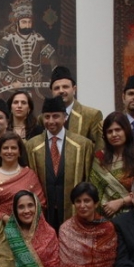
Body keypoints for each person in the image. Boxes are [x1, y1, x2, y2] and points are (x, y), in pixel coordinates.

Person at [27, 96, 95, 231]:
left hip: (74, 210)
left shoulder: (82, 145)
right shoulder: (32, 145)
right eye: (47, 117)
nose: (51, 121)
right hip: (44, 212)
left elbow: (88, 179)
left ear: (65, 117)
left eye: (55, 116)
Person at [0, 0, 56, 88]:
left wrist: (55, 75)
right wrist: (8, 79)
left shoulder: (38, 39)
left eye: (29, 22)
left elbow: (53, 56)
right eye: (24, 22)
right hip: (14, 85)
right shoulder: (7, 40)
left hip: (37, 83)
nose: (27, 25)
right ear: (17, 23)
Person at [0, 134, 43, 223]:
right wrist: (5, 218)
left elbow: (40, 203)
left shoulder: (29, 175)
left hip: (26, 227)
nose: (9, 151)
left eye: (13, 148)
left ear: (20, 152)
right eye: (5, 148)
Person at [90, 113, 134, 220]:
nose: (114, 134)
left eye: (118, 130)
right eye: (109, 131)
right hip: (106, 217)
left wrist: (121, 202)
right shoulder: (99, 158)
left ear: (126, 131)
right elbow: (95, 192)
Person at [48, 65, 103, 148]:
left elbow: (99, 150)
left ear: (74, 89)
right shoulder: (43, 118)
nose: (61, 91)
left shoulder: (92, 115)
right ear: (51, 92)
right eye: (57, 88)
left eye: (65, 87)